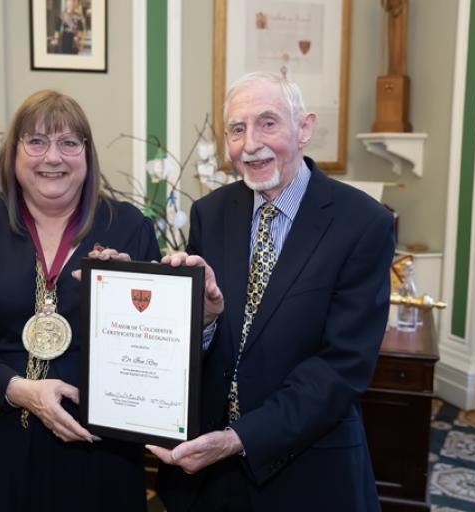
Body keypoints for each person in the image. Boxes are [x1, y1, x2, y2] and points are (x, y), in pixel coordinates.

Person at [151, 72, 395, 511]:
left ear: (304, 128)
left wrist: (241, 439)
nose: (250, 144)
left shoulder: (363, 223)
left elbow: (342, 367)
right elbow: (204, 341)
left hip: (308, 474)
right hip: (212, 479)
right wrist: (203, 322)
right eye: (237, 129)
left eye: (268, 123)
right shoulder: (210, 213)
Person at [0, 90, 161, 511]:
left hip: (100, 445)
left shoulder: (129, 228)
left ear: (87, 154)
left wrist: (126, 289)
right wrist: (20, 390)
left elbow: (156, 347)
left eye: (69, 143)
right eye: (36, 141)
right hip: (3, 438)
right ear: (14, 153)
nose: (52, 157)